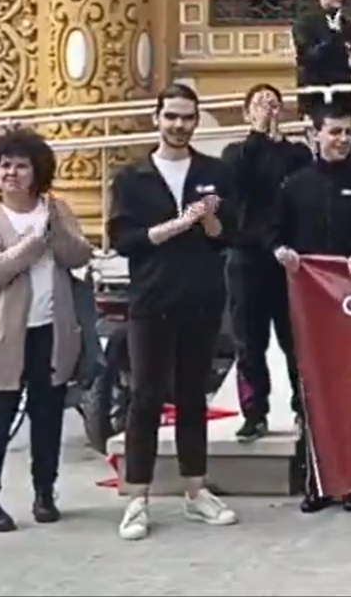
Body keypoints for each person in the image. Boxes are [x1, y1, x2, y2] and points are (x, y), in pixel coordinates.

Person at [105, 84, 241, 541]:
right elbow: (125, 240)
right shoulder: (132, 178)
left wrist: (208, 220)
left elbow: (226, 235)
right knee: (145, 396)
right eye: (171, 116)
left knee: (192, 396)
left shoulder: (214, 172)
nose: (179, 125)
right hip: (151, 299)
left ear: (197, 121)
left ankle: (196, 490)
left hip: (201, 298)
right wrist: (178, 224)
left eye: (187, 117)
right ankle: (137, 498)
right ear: (156, 118)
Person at [0, 128, 95, 532]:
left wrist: (56, 234)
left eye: (21, 166)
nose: (12, 173)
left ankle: (44, 494)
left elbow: (80, 255)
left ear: (37, 171)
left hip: (51, 331)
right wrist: (31, 245)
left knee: (48, 416)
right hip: (5, 335)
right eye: (5, 165)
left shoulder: (55, 209)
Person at [272, 106, 351, 514]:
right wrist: (281, 252)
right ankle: (318, 482)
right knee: (311, 395)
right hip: (307, 308)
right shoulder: (294, 185)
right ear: (315, 135)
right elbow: (275, 235)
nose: (342, 139)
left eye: (347, 133)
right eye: (334, 132)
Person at [219, 85, 312, 444]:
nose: (267, 110)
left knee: (295, 340)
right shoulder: (236, 152)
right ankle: (254, 412)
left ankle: (305, 410)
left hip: (286, 256)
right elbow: (237, 181)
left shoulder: (297, 154)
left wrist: (274, 142)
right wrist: (258, 136)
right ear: (247, 113)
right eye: (259, 104)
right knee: (248, 340)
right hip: (246, 256)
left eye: (273, 104)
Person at [292, 0, 351, 115]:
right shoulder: (304, 22)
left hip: (343, 100)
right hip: (315, 99)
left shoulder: (347, 26)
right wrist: (332, 37)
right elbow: (307, 57)